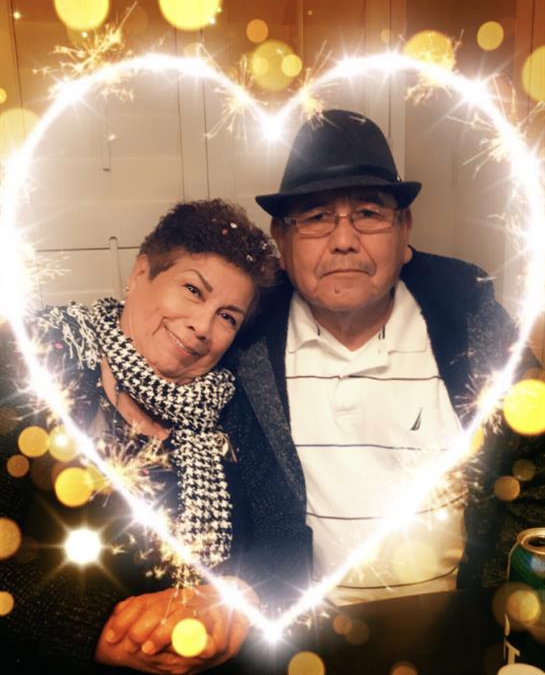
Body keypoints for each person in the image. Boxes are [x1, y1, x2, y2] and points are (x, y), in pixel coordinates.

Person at [225, 109, 544, 607]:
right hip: (302, 635)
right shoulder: (242, 340)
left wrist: (497, 599)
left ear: (403, 230)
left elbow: (534, 468)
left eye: (369, 213)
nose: (344, 240)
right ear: (281, 240)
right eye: (316, 217)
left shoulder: (470, 321)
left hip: (457, 624)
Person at [0, 199, 311, 673]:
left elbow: (287, 541)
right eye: (192, 290)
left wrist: (235, 598)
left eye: (228, 316)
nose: (203, 327)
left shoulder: (232, 404)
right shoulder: (37, 367)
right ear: (140, 272)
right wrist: (97, 633)